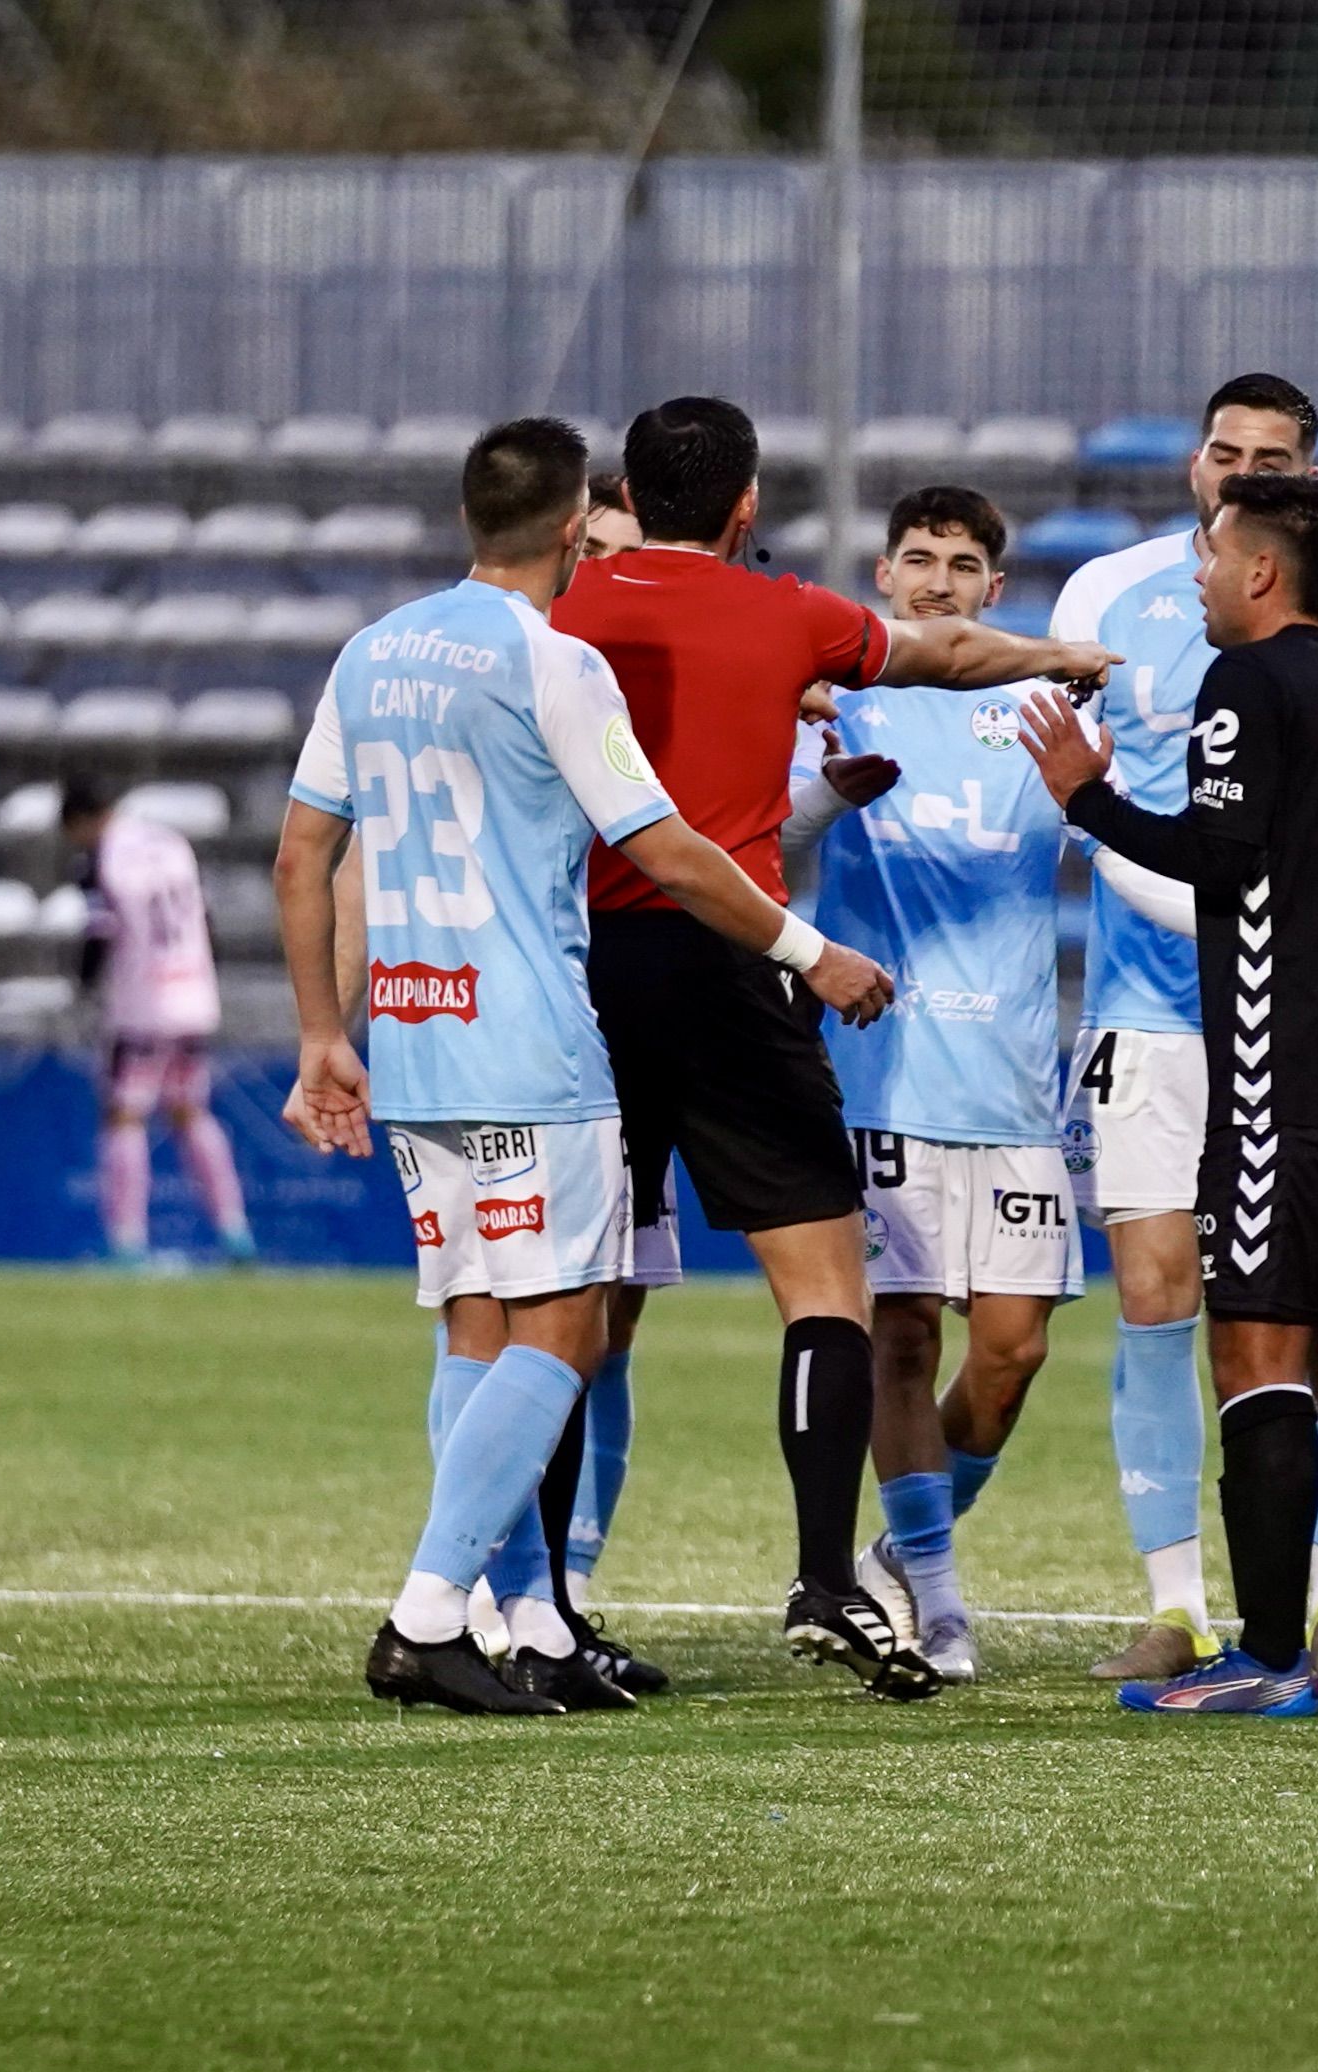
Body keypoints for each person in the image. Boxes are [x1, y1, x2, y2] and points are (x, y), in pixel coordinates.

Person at [274, 415, 900, 1715]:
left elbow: (300, 857)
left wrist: (321, 1037)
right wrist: (811, 952)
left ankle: (532, 1622)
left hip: (414, 1035)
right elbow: (667, 850)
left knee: (476, 1326)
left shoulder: (371, 654)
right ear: (572, 529)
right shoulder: (551, 663)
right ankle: (425, 1614)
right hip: (532, 1042)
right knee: (564, 1327)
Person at [549, 396, 1115, 1687]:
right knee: (826, 1294)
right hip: (740, 964)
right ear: (747, 507)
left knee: (580, 1304)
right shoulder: (790, 615)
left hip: (581, 975)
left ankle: (543, 1596)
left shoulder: (561, 618)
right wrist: (1067, 657)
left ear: (624, 494)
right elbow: (945, 660)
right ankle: (825, 1579)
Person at [1020, 473, 1318, 1717]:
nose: (1197, 579)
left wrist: (1087, 800)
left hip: (1290, 1069)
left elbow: (1222, 859)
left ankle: (1264, 1658)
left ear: (1264, 573)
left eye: (1212, 559)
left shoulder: (1248, 681)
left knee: (1257, 1349)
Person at [777, 486, 1078, 1685]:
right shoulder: (827, 699)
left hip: (1009, 1081)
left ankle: (901, 1557)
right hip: (879, 1074)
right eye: (918, 560)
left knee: (1009, 1356)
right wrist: (818, 791)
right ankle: (941, 1603)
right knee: (896, 1338)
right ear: (884, 576)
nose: (939, 581)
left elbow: (1115, 831)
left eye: (962, 565)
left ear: (994, 593)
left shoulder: (1044, 707)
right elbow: (761, 836)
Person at [64, 781, 255, 1266]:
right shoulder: (171, 843)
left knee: (124, 1114)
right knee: (191, 1111)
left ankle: (127, 1242)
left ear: (80, 821)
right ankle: (235, 1232)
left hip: (141, 1001)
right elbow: (204, 919)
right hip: (192, 993)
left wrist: (84, 993)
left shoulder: (103, 857)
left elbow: (100, 933)